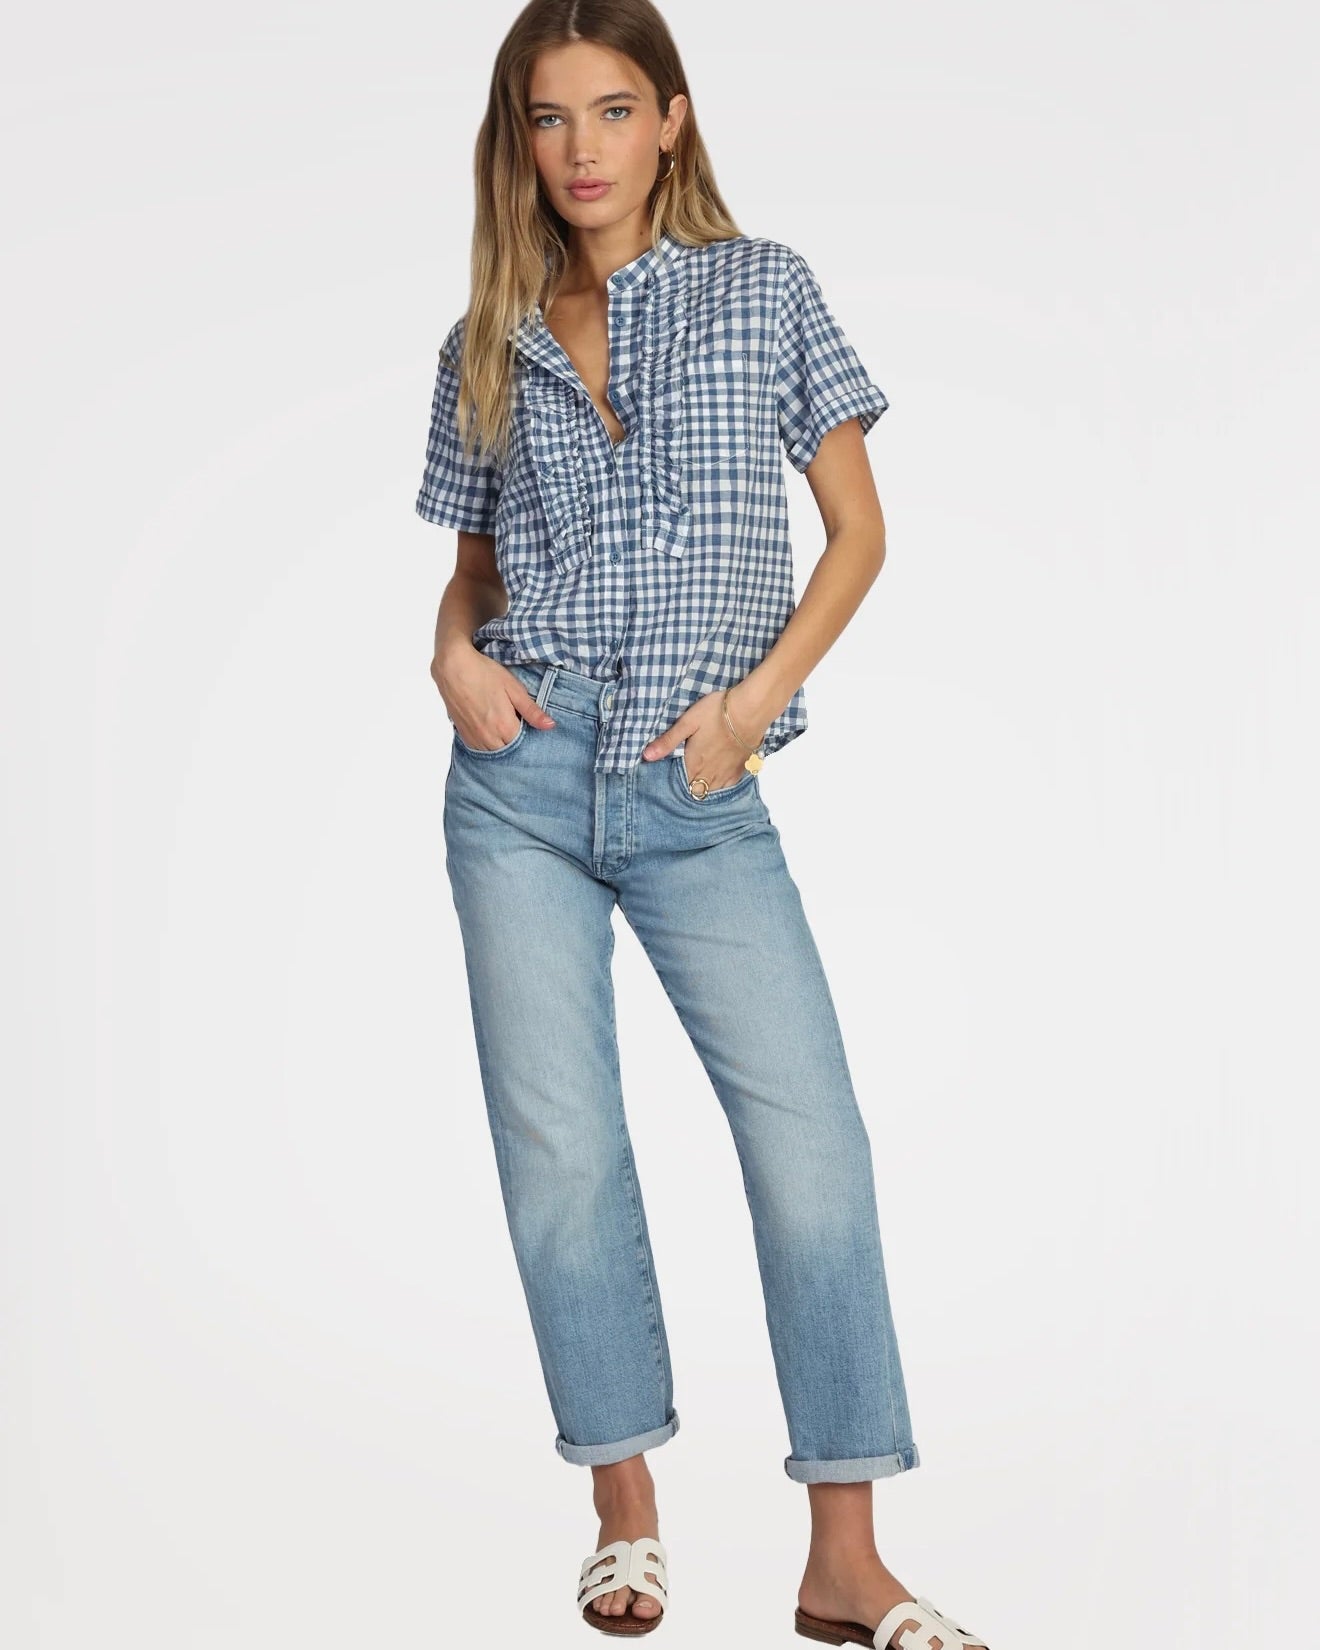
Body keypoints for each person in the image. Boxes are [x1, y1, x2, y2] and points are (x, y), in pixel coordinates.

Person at [415, 5, 991, 1647]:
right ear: (517, 139)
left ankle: (844, 1558)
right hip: (517, 781)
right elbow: (472, 576)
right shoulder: (490, 333)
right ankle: (626, 1515)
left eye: (612, 110)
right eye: (548, 117)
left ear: (672, 119)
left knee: (812, 1148)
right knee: (565, 1157)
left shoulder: (767, 290)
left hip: (697, 778)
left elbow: (859, 535)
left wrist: (746, 715)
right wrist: (451, 655)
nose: (581, 147)